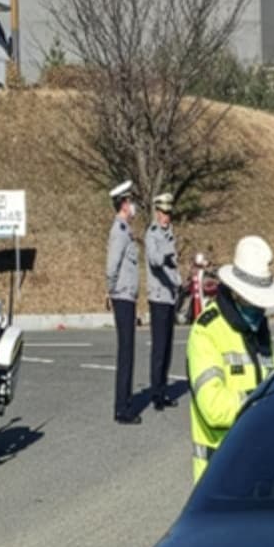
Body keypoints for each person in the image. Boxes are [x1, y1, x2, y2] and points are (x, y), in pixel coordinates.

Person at [186, 235, 274, 482]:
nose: (258, 310)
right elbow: (213, 407)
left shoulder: (259, 328)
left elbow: (273, 381)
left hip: (260, 468)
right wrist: (262, 403)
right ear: (236, 294)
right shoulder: (206, 332)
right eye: (253, 302)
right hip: (220, 476)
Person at [105, 180, 142, 424]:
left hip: (126, 294)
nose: (133, 207)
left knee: (128, 351)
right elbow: (112, 265)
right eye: (130, 202)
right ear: (124, 204)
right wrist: (110, 290)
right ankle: (122, 408)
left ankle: (125, 402)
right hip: (122, 295)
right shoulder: (119, 231)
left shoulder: (124, 230)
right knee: (126, 352)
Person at [145, 192, 180, 411]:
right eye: (164, 212)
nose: (167, 217)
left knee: (168, 347)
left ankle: (164, 388)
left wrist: (178, 281)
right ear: (157, 212)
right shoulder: (153, 234)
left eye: (169, 213)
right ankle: (156, 393)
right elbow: (155, 261)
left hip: (170, 295)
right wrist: (168, 248)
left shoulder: (169, 234)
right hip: (158, 296)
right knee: (158, 348)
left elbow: (173, 266)